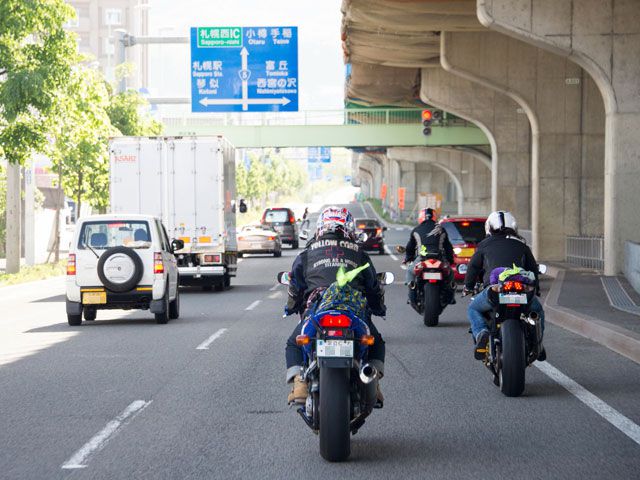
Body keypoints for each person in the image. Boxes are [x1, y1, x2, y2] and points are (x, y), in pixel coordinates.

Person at [284, 206, 387, 405]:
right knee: (377, 342)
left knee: (293, 343)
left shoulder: (306, 255)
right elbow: (373, 287)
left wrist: (291, 307)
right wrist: (378, 308)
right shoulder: (359, 253)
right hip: (352, 310)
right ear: (348, 228)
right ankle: (373, 383)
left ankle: (300, 384)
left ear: (321, 227)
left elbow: (295, 287)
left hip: (319, 308)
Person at [463, 210, 546, 361]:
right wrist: (537, 289)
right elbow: (533, 269)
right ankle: (538, 345)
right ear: (514, 227)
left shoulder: (484, 245)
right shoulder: (522, 245)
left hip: (495, 289)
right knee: (538, 311)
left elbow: (473, 267)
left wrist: (468, 287)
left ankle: (481, 332)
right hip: (522, 290)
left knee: (473, 308)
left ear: (489, 227)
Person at [402, 208, 455, 305]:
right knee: (450, 273)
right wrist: (450, 260)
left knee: (410, 271)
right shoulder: (441, 229)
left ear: (421, 218)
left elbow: (410, 247)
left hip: (422, 258)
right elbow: (448, 247)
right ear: (435, 217)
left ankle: (412, 295)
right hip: (439, 258)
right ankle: (450, 296)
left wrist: (408, 258)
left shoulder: (416, 230)